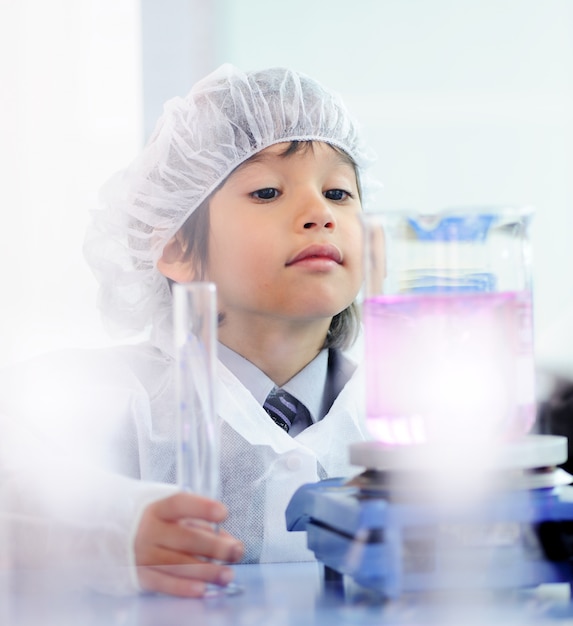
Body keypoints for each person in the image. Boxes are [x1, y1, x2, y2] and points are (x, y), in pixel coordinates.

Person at [0, 64, 376, 598]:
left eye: (339, 193)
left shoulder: (413, 416)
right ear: (176, 247)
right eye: (268, 191)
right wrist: (104, 527)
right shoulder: (107, 399)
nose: (319, 213)